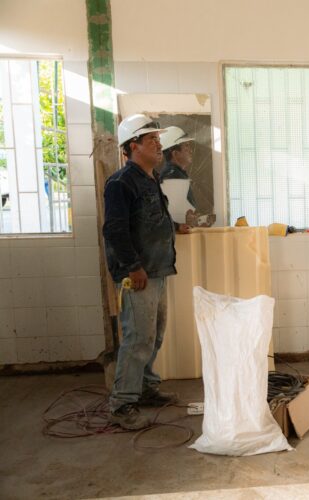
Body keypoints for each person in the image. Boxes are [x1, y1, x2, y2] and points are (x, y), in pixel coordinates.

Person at [103, 114, 191, 430]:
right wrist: (133, 267)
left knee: (155, 333)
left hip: (157, 269)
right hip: (139, 273)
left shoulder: (150, 178)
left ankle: (146, 386)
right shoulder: (121, 183)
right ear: (133, 146)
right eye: (151, 139)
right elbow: (115, 230)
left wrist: (175, 226)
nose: (158, 144)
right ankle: (122, 404)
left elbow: (148, 219)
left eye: (158, 138)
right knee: (138, 337)